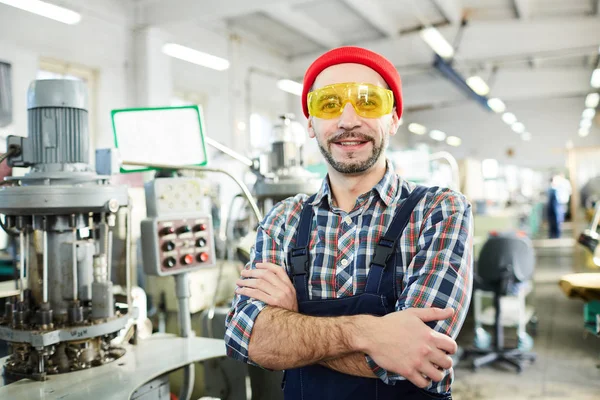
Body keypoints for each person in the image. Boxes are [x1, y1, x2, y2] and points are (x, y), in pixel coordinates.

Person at [225, 46, 473, 400]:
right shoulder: (282, 220)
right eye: (329, 104)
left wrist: (293, 324)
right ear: (310, 123)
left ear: (394, 117)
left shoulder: (440, 210)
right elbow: (245, 337)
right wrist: (370, 335)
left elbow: (421, 356)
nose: (348, 121)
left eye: (368, 101)